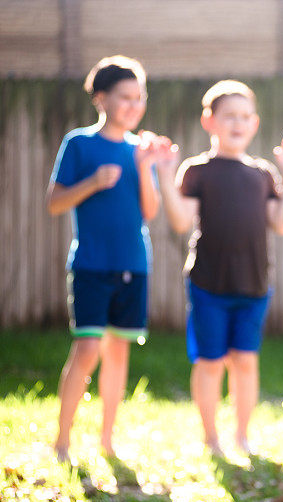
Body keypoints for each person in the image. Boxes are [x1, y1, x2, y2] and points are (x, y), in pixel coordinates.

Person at [156, 80, 283, 455]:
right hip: (208, 284)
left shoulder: (262, 174)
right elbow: (179, 221)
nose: (237, 124)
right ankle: (211, 437)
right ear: (209, 121)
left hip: (254, 286)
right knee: (211, 362)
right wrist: (163, 174)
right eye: (229, 116)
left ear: (254, 123)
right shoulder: (197, 171)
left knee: (244, 361)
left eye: (244, 117)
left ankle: (242, 435)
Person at [46, 55, 170, 461]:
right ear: (101, 98)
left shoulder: (140, 150)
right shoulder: (79, 144)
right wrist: (94, 182)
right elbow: (54, 203)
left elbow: (149, 212)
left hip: (134, 265)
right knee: (86, 350)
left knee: (119, 352)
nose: (134, 106)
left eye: (140, 98)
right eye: (125, 97)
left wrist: (148, 166)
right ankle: (62, 440)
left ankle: (107, 440)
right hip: (90, 266)